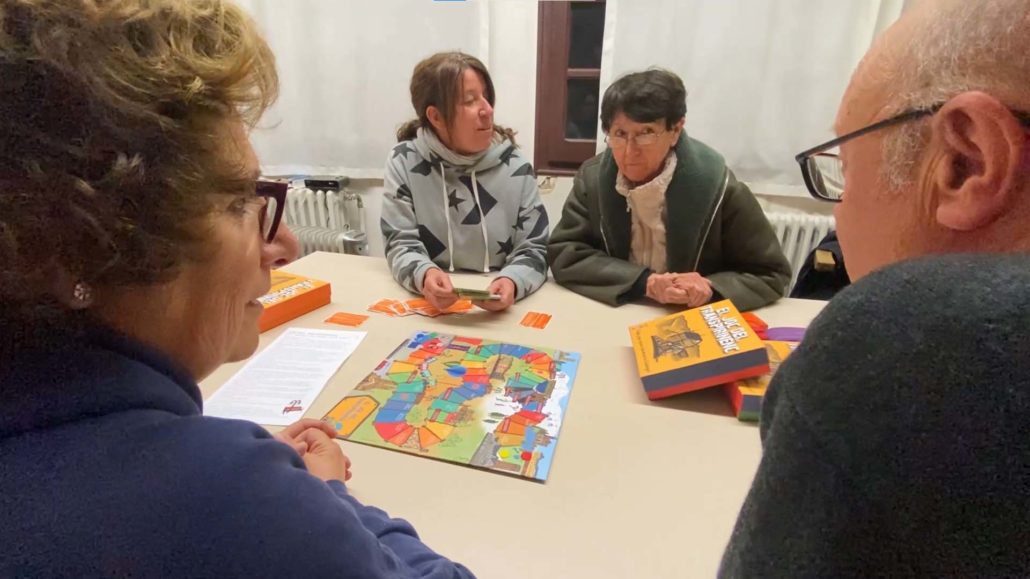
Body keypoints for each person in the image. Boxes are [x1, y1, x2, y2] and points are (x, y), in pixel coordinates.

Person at [0, 2, 473, 577]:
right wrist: (313, 500)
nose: (287, 244)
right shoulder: (227, 498)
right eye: (237, 202)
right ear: (93, 244)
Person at [721, 0, 1030, 576]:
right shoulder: (596, 177)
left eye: (842, 166)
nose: (837, 210)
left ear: (966, 162)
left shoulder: (907, 339)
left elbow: (763, 274)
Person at [547, 69, 791, 311]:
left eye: (646, 133)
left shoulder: (720, 186)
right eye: (620, 134)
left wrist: (710, 287)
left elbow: (770, 274)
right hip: (620, 307)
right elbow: (565, 254)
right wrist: (645, 282)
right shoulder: (592, 180)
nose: (630, 152)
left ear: (676, 130)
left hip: (692, 317)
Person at [381, 52, 548, 313]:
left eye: (486, 97)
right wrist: (424, 276)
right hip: (431, 311)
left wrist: (512, 280)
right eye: (470, 101)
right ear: (436, 117)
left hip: (501, 312)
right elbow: (400, 243)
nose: (487, 110)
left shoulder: (516, 166)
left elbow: (534, 247)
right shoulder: (403, 161)